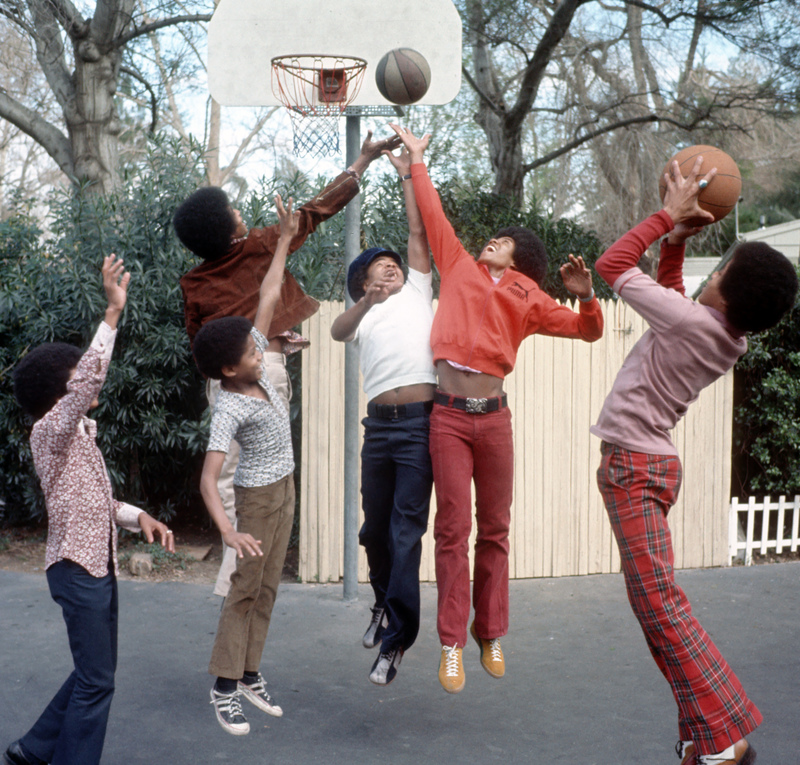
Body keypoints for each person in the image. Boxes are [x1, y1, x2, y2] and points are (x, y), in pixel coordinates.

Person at [591, 156, 798, 765]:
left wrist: (665, 218)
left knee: (661, 605)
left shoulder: (689, 324)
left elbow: (612, 266)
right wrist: (679, 241)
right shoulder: (718, 333)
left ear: (723, 285)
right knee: (654, 606)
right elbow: (674, 293)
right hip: (646, 465)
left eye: (721, 264)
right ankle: (702, 735)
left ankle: (727, 732)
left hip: (633, 465)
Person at [391, 125, 605, 694]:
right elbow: (432, 212)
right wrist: (417, 159)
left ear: (520, 258)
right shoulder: (457, 264)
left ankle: (491, 630)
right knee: (453, 529)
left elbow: (588, 332)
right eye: (493, 238)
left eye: (504, 240)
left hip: (495, 421)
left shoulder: (531, 297)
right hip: (449, 417)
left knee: (497, 528)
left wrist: (585, 292)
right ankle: (451, 644)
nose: (492, 241)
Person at [175, 131, 401, 599]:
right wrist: (362, 159)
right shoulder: (258, 245)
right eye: (233, 211)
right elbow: (318, 210)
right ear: (229, 229)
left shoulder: (193, 281)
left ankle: (240, 574)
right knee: (266, 479)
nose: (240, 213)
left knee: (232, 480)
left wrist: (269, 339)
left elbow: (200, 346)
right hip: (262, 373)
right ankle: (241, 581)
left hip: (224, 383)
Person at [5, 256, 174, 765]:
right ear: (59, 395)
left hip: (95, 568)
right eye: (78, 377)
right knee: (98, 682)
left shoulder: (77, 439)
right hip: (78, 571)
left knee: (93, 676)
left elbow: (96, 501)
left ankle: (32, 751)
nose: (90, 381)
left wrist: (137, 515)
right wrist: (111, 314)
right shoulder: (49, 433)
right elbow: (82, 389)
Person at [194, 194, 301, 736]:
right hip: (257, 501)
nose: (264, 352)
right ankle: (223, 688)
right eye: (255, 353)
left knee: (268, 587)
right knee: (243, 589)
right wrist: (229, 530)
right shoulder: (230, 403)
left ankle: (251, 671)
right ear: (228, 369)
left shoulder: (252, 365)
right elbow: (209, 479)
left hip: (285, 490)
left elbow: (268, 293)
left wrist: (282, 239)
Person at [330, 147, 436, 686]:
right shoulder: (365, 315)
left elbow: (418, 235)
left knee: (404, 533)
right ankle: (380, 604)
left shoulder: (418, 290)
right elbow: (336, 332)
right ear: (363, 283)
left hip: (420, 424)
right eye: (377, 267)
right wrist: (367, 301)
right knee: (373, 530)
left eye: (391, 264)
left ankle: (396, 640)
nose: (390, 267)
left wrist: (408, 177)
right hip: (380, 430)